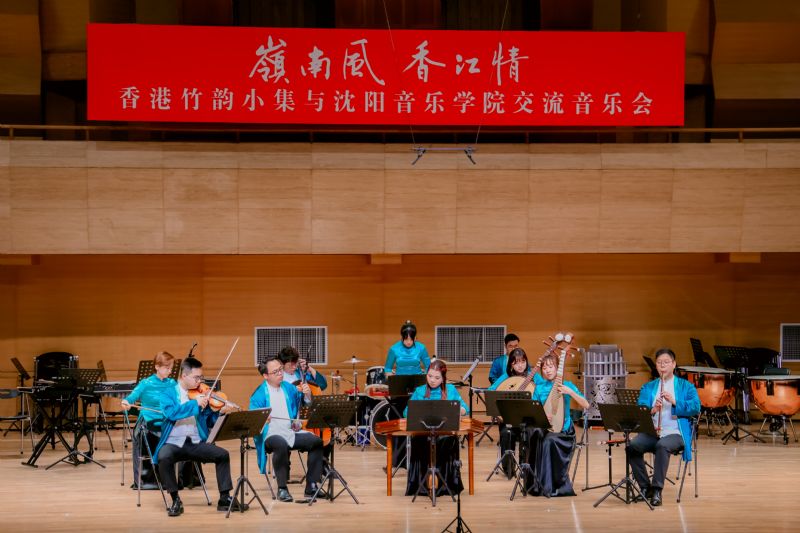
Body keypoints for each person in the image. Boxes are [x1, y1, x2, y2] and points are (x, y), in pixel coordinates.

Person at [153, 357, 241, 517]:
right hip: (173, 443)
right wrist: (194, 404)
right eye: (196, 377)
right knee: (163, 457)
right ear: (184, 376)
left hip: (195, 442)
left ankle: (224, 498)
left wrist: (219, 412)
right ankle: (175, 500)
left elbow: (210, 421)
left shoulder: (200, 394)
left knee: (222, 455)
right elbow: (171, 413)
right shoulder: (168, 393)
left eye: (201, 377)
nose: (199, 381)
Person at [627, 347, 700, 507]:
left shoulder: (686, 386)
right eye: (659, 362)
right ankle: (645, 487)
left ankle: (657, 490)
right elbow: (641, 409)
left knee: (662, 445)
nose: (662, 365)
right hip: (653, 431)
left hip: (676, 433)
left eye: (666, 362)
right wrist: (653, 409)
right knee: (632, 446)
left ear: (674, 364)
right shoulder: (648, 387)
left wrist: (674, 402)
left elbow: (696, 407)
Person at [249, 355, 325, 503]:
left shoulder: (288, 387)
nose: (280, 373)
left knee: (316, 441)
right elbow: (253, 423)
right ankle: (282, 488)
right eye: (275, 372)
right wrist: (262, 420)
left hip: (289, 431)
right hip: (270, 435)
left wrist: (307, 394)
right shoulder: (258, 395)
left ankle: (311, 485)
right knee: (280, 444)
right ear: (265, 376)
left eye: (280, 369)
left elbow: (305, 403)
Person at [526, 353, 589, 497]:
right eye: (544, 368)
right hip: (545, 428)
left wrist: (570, 392)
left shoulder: (567, 385)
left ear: (557, 368)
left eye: (551, 366)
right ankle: (536, 484)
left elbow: (586, 404)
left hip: (564, 432)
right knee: (534, 434)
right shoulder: (539, 388)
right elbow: (533, 410)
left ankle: (553, 486)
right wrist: (542, 416)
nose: (547, 370)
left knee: (548, 441)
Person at [404, 360, 470, 497]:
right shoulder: (420, 390)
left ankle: (445, 485)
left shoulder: (450, 390)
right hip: (423, 433)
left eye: (437, 377)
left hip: (445, 433)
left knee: (446, 440)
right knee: (423, 440)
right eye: (429, 376)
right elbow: (406, 412)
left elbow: (465, 409)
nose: (432, 380)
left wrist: (460, 410)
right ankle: (423, 486)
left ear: (443, 378)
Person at [121, 351, 176, 490]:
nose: (170, 371)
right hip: (148, 420)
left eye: (171, 368)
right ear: (157, 367)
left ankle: (170, 479)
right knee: (148, 432)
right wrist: (126, 402)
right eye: (167, 368)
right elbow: (132, 397)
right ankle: (146, 480)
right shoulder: (145, 383)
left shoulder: (172, 383)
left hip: (166, 419)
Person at [487, 347, 539, 478]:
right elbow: (491, 392)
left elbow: (544, 388)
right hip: (509, 419)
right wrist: (498, 413)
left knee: (528, 432)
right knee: (506, 433)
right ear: (511, 364)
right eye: (516, 362)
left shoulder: (533, 376)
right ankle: (508, 468)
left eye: (523, 361)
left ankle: (524, 466)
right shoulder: (505, 377)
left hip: (527, 419)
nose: (520, 365)